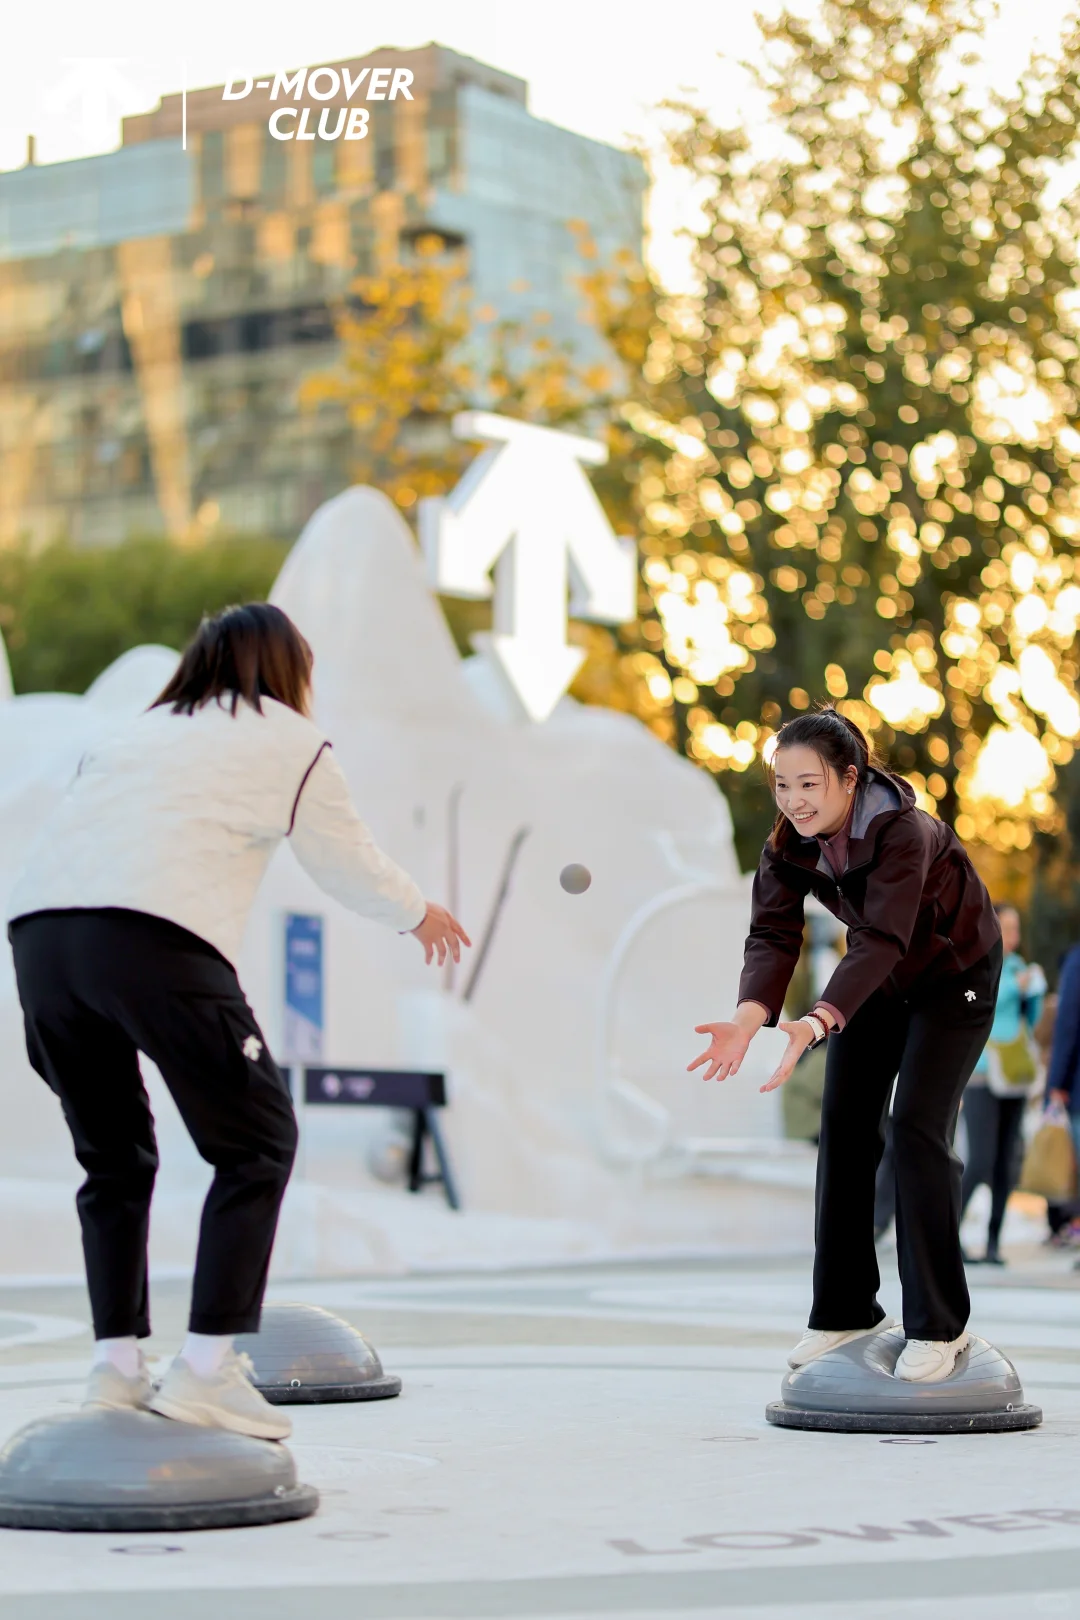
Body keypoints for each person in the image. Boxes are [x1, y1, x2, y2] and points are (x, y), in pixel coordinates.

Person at [5, 604, 470, 1440]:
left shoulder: (133, 732)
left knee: (114, 1162)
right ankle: (208, 1371)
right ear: (290, 670)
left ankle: (115, 1370)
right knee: (258, 1142)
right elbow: (345, 863)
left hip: (41, 942)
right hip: (152, 937)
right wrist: (418, 912)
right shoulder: (291, 740)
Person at [689, 707, 1001, 1383]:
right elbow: (772, 935)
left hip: (954, 978)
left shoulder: (905, 833)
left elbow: (884, 937)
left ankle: (939, 1324)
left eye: (810, 783)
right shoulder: (787, 845)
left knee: (917, 1127)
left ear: (850, 779)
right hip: (878, 985)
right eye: (782, 784)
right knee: (846, 1126)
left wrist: (814, 1022)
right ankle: (844, 1311)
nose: (795, 800)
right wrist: (750, 1017)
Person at [958, 905, 1045, 1266]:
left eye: (1016, 928)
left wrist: (1034, 992)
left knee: (1004, 1165)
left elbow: (1032, 1019)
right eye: (1007, 927)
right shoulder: (972, 962)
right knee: (978, 1161)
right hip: (980, 1074)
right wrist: (1012, 988)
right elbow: (972, 1001)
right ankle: (948, 1235)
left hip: (1014, 1076)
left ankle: (993, 1243)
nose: (1013, 936)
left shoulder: (1022, 968)